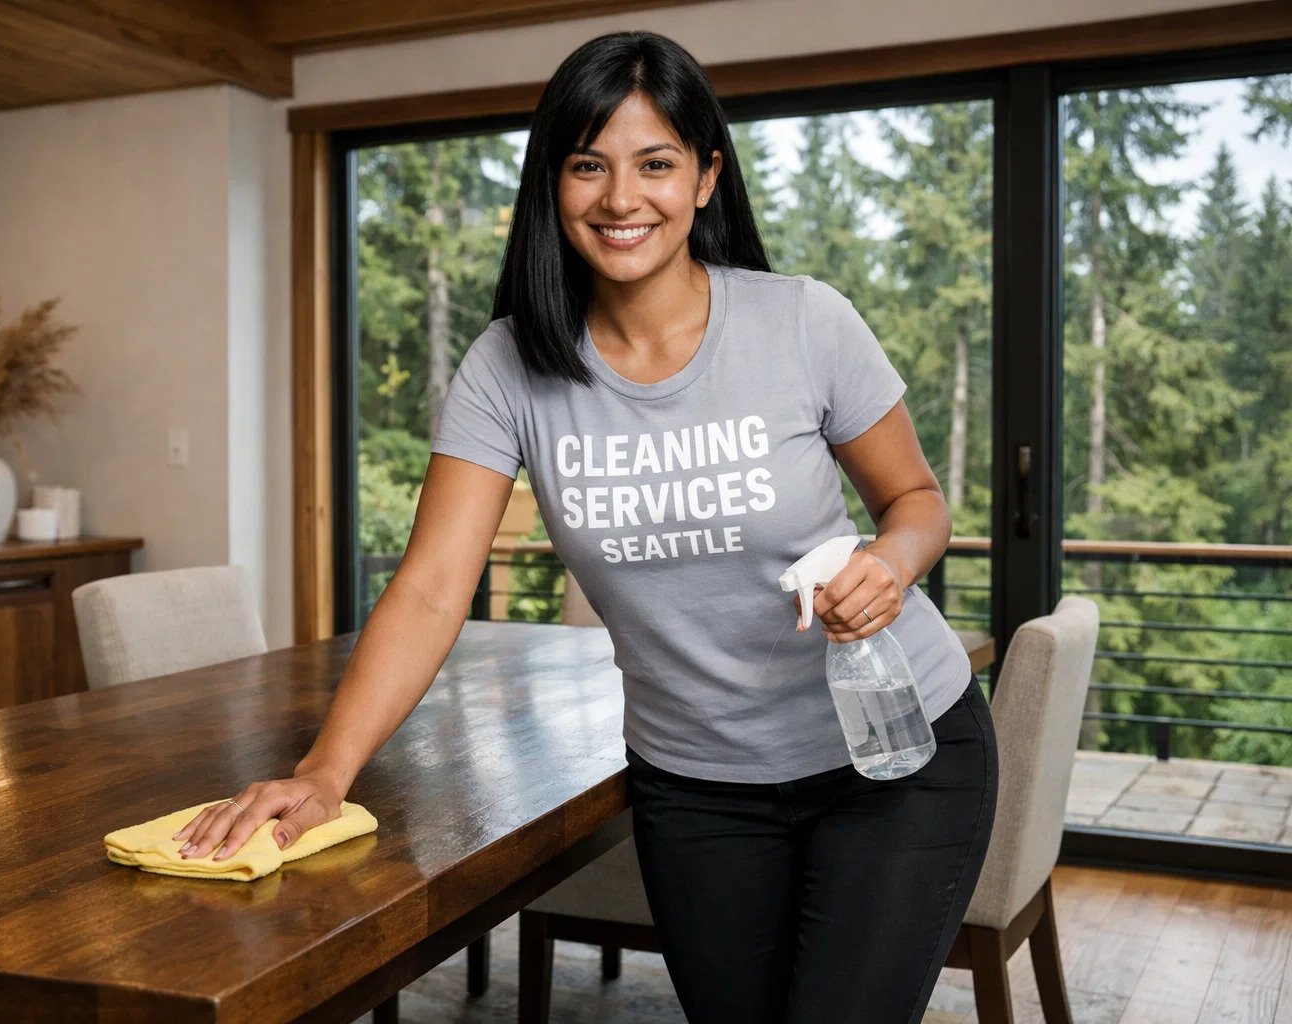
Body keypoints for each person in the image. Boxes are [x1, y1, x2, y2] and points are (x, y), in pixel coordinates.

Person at [173, 29, 998, 1024]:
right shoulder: (508, 366)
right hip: (697, 787)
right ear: (552, 184)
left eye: (656, 163)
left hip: (891, 754)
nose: (621, 198)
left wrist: (888, 563)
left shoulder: (803, 322)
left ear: (705, 178)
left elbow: (919, 503)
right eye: (587, 166)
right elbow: (433, 587)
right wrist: (324, 772)